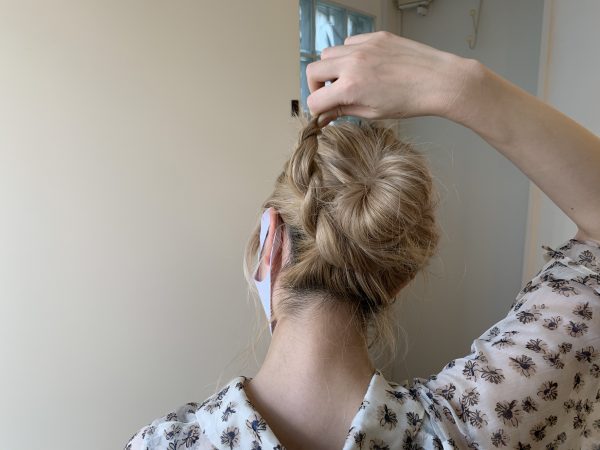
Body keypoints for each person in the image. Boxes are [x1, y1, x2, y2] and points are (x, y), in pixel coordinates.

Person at [126, 31, 600, 449]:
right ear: (399, 279)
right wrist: (460, 85)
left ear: (271, 243)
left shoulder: (162, 444)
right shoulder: (479, 427)